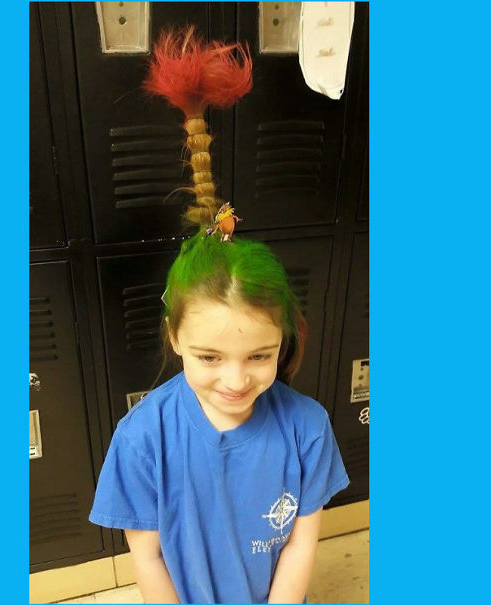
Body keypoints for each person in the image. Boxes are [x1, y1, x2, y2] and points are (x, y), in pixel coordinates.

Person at [89, 28, 349, 604]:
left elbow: (302, 545)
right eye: (209, 356)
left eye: (260, 355)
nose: (236, 380)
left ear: (283, 339)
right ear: (174, 337)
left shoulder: (307, 428)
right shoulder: (141, 440)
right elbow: (149, 558)